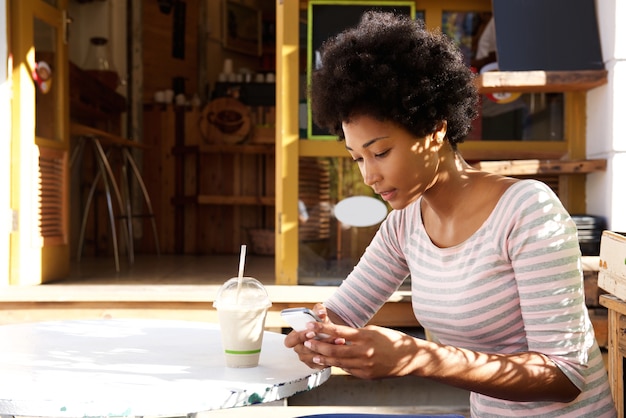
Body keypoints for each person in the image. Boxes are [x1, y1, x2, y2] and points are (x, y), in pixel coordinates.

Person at [284, 11, 615, 417]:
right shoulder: (404, 225)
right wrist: (316, 333)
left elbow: (565, 375)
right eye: (357, 159)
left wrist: (418, 357)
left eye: (381, 152)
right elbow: (343, 312)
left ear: (435, 128)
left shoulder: (527, 210)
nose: (370, 175)